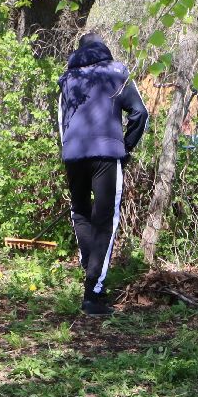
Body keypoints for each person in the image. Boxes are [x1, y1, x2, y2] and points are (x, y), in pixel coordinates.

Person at [58, 33, 148, 316]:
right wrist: (127, 147)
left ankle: (92, 267)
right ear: (104, 50)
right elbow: (140, 114)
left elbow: (62, 123)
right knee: (106, 220)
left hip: (73, 155)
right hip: (107, 156)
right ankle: (93, 295)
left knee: (80, 212)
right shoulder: (116, 73)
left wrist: (68, 151)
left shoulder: (68, 79)